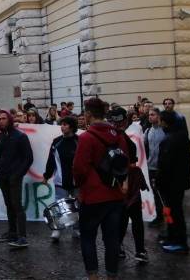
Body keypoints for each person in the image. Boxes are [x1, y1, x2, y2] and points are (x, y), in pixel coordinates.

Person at [73, 97, 131, 279]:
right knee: (112, 239)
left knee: (88, 238)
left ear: (89, 114)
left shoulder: (86, 137)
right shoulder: (118, 135)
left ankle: (94, 276)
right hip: (114, 195)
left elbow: (79, 168)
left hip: (92, 196)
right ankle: (112, 276)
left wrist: (80, 188)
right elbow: (125, 162)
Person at [0, 110, 33, 249]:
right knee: (8, 204)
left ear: (9, 119)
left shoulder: (20, 136)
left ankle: (22, 237)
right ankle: (12, 232)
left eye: (4, 118)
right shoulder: (0, 137)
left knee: (17, 205)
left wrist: (18, 174)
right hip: (3, 175)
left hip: (15, 177)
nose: (1, 121)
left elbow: (28, 159)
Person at [157, 110, 190, 254]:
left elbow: (165, 164)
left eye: (160, 120)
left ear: (165, 122)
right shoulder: (182, 136)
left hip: (171, 183)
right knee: (171, 211)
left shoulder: (170, 139)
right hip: (178, 182)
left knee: (174, 212)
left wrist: (158, 181)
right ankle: (172, 237)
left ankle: (180, 241)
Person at [43, 116, 79, 243]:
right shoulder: (56, 142)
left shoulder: (79, 141)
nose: (62, 126)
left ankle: (77, 228)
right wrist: (46, 175)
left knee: (76, 206)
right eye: (61, 124)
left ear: (72, 126)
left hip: (77, 182)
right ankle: (57, 229)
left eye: (65, 124)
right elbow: (51, 160)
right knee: (59, 206)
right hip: (60, 181)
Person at [144, 108, 165, 225]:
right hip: (151, 167)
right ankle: (159, 216)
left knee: (164, 194)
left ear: (158, 116)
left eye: (153, 115)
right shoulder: (147, 131)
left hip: (162, 167)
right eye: (149, 115)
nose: (150, 117)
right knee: (155, 193)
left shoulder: (164, 130)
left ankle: (168, 217)